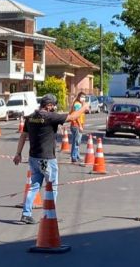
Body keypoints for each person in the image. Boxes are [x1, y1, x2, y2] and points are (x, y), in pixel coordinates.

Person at [12, 94, 72, 224]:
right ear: (49, 105)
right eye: (53, 105)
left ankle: (26, 214)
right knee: (52, 187)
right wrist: (84, 107)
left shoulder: (31, 117)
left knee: (34, 186)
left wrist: (18, 153)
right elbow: (72, 117)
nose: (54, 108)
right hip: (47, 159)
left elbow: (23, 136)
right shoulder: (49, 117)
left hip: (33, 158)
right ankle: (50, 215)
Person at [67, 93, 86, 164]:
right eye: (82, 97)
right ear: (78, 97)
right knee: (76, 142)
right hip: (76, 125)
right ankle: (74, 157)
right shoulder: (77, 104)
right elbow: (77, 116)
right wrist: (80, 125)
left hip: (75, 125)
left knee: (76, 141)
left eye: (84, 97)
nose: (83, 98)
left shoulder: (77, 104)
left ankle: (76, 156)